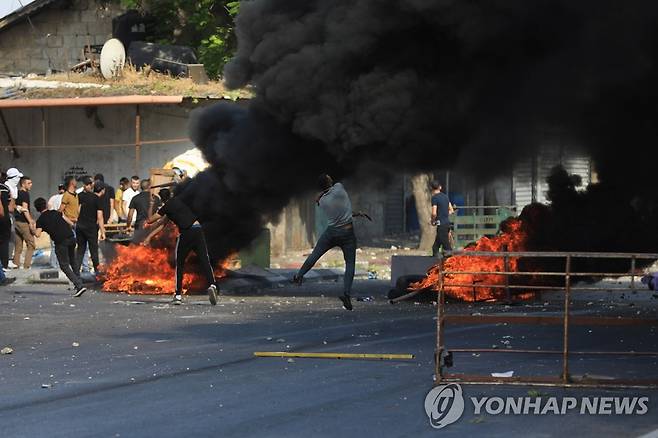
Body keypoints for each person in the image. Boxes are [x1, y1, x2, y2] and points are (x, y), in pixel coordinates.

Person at [292, 174, 364, 311]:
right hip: (348, 233)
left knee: (315, 254)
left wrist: (354, 213)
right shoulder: (339, 188)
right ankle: (346, 293)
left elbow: (341, 210)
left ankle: (299, 276)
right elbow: (344, 209)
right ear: (329, 181)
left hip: (332, 232)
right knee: (350, 264)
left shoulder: (323, 201)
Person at [143, 188, 217, 306]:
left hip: (187, 232)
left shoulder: (166, 207)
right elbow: (163, 224)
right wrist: (149, 237)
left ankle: (177, 295)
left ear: (162, 199)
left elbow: (151, 220)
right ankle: (212, 284)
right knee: (204, 259)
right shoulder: (178, 201)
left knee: (180, 264)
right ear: (171, 195)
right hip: (198, 230)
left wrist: (151, 205)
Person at [31, 197, 86, 297]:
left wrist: (32, 228)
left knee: (64, 265)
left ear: (37, 209)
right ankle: (79, 281)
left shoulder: (41, 220)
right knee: (73, 261)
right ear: (46, 205)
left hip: (61, 242)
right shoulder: (56, 213)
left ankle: (79, 286)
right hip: (71, 237)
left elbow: (37, 234)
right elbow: (69, 222)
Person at [76, 177, 105, 275]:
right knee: (93, 250)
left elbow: (78, 211)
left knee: (80, 250)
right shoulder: (96, 198)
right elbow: (100, 216)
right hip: (91, 227)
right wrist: (102, 231)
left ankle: (76, 272)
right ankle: (97, 271)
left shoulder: (79, 196)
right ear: (91, 185)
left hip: (80, 226)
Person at [13, 176, 36, 269]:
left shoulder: (16, 193)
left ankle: (16, 265)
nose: (31, 185)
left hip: (16, 221)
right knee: (31, 244)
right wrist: (30, 221)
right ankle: (27, 266)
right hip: (23, 222)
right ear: (23, 184)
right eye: (29, 183)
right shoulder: (25, 194)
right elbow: (25, 209)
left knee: (18, 246)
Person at [430, 180, 455, 256]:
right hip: (447, 224)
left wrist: (432, 221)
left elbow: (434, 213)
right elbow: (451, 210)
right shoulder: (445, 197)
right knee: (435, 247)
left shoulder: (434, 198)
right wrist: (445, 215)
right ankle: (435, 265)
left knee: (447, 248)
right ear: (440, 187)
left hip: (441, 226)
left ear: (432, 189)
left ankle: (452, 263)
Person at [47, 183, 65, 269]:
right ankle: (60, 264)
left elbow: (49, 208)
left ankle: (53, 265)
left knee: (54, 246)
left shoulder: (52, 198)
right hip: (62, 223)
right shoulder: (66, 198)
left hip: (52, 223)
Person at [0, 174, 13, 271]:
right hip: (4, 219)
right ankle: (3, 265)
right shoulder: (5, 188)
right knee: (4, 242)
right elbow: (10, 208)